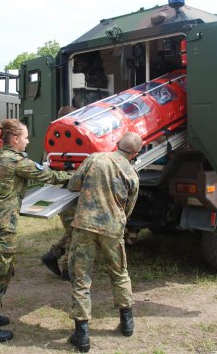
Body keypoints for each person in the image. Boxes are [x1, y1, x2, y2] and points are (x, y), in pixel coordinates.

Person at [0, 119, 72, 343]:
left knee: (1, 269)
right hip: (1, 225)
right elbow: (50, 177)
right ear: (16, 139)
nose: (29, 141)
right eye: (26, 137)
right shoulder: (18, 162)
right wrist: (75, 175)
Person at [67, 131, 142, 353]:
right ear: (135, 153)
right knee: (119, 274)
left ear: (117, 144)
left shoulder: (95, 158)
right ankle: (127, 324)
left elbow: (73, 184)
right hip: (112, 229)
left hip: (85, 226)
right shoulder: (133, 174)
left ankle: (82, 336)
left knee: (81, 279)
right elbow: (129, 208)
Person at [41, 105, 78, 281]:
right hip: (70, 189)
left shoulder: (52, 139)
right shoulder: (72, 140)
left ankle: (53, 255)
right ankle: (68, 270)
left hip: (61, 190)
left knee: (73, 229)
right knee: (75, 230)